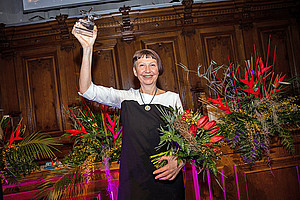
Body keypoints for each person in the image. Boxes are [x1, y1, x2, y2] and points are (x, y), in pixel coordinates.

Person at [72, 20, 185, 200]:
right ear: (134, 71)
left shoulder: (172, 98)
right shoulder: (125, 98)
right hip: (134, 179)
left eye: (152, 65)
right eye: (142, 65)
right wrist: (87, 49)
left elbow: (185, 138)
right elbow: (86, 90)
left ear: (159, 70)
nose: (147, 70)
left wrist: (179, 161)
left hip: (167, 175)